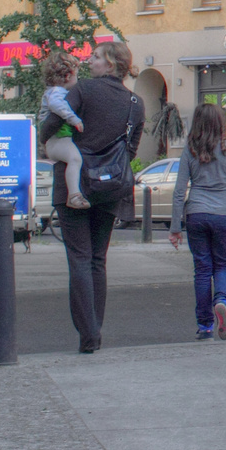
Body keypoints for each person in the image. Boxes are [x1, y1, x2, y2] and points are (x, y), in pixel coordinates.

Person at [39, 40, 144, 354]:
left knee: (80, 260)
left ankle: (89, 334)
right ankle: (96, 325)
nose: (90, 61)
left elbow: (50, 127)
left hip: (74, 186)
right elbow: (131, 149)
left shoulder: (82, 90)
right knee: (99, 259)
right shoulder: (136, 102)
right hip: (110, 187)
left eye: (96, 57)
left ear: (110, 64)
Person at [168, 103, 226, 341]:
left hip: (196, 214)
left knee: (201, 270)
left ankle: (205, 325)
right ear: (221, 123)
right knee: (222, 265)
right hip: (224, 215)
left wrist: (175, 227)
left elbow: (179, 191)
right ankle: (222, 300)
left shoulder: (190, 150)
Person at [40, 51, 89, 210]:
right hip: (56, 140)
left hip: (59, 140)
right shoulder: (57, 92)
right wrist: (74, 119)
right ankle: (74, 195)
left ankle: (74, 194)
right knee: (75, 159)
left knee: (74, 159)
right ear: (68, 76)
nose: (78, 79)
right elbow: (57, 106)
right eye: (76, 75)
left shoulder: (57, 91)